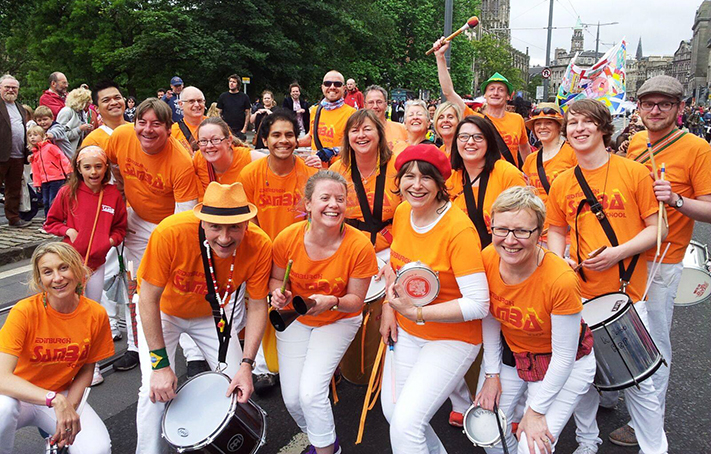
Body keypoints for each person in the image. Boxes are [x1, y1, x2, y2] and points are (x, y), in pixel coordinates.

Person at [545, 99, 668, 454]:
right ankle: (587, 440)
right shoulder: (563, 182)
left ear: (602, 128)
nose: (578, 129)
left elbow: (656, 228)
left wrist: (618, 252)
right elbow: (555, 229)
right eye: (572, 123)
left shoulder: (632, 172)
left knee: (639, 382)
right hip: (579, 295)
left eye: (587, 122)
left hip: (627, 296)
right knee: (580, 378)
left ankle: (654, 448)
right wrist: (558, 260)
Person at [134, 181, 270, 454]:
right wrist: (160, 365)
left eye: (234, 227)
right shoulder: (170, 232)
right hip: (163, 312)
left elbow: (257, 307)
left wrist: (247, 365)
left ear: (247, 224)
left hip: (212, 314)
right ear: (202, 222)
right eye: (215, 227)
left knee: (236, 384)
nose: (224, 237)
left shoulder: (260, 244)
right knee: (155, 391)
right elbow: (148, 299)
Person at [611, 76, 711, 447]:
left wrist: (677, 200)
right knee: (619, 332)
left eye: (664, 104)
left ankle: (647, 425)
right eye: (648, 104)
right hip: (625, 255)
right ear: (638, 107)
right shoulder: (636, 141)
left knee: (654, 343)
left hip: (662, 259)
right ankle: (612, 394)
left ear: (679, 108)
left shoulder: (697, 148)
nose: (655, 111)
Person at [377, 144, 489, 453]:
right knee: (394, 413)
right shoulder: (403, 213)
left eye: (426, 178)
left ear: (441, 183)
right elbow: (396, 268)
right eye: (408, 176)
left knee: (407, 424)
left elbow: (479, 303)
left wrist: (418, 313)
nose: (416, 185)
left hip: (451, 339)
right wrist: (390, 307)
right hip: (408, 332)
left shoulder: (458, 230)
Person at [474, 186, 595, 454]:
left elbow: (564, 356)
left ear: (540, 234)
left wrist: (536, 411)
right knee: (489, 431)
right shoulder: (487, 259)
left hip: (565, 364)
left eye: (522, 231)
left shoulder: (560, 279)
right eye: (501, 229)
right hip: (518, 358)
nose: (510, 240)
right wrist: (491, 374)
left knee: (532, 447)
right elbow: (492, 320)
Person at [270, 170, 378, 454]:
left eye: (340, 199)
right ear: (307, 204)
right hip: (297, 317)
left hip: (339, 318)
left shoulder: (359, 245)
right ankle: (320, 436)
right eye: (325, 198)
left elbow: (356, 301)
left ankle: (326, 449)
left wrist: (332, 301)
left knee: (311, 392)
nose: (334, 204)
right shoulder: (286, 239)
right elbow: (274, 280)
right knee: (293, 398)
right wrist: (277, 294)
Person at [105, 98, 200, 372]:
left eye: (156, 124)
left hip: (168, 226)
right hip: (136, 221)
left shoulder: (180, 162)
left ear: (169, 130)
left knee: (175, 286)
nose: (147, 130)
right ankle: (137, 346)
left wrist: (165, 250)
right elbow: (108, 163)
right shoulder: (122, 135)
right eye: (142, 123)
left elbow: (184, 217)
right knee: (135, 286)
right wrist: (119, 195)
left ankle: (192, 353)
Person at [0, 242, 114, 454]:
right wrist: (55, 400)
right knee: (3, 410)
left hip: (60, 394)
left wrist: (68, 407)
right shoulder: (24, 312)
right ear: (40, 279)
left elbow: (87, 369)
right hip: (17, 395)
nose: (57, 278)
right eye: (47, 272)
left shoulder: (95, 314)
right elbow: (2, 378)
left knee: (98, 449)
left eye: (64, 267)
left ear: (77, 270)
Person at [238, 110, 318, 393]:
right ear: (264, 139)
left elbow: (316, 222)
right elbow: (249, 220)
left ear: (297, 140)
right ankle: (261, 367)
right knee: (259, 306)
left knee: (300, 308)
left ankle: (311, 364)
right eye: (276, 135)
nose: (283, 141)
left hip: (301, 254)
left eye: (289, 135)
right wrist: (266, 253)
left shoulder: (310, 175)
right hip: (261, 252)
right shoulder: (250, 174)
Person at [44, 145, 127, 386]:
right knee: (66, 312)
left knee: (90, 312)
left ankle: (91, 365)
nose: (93, 172)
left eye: (98, 166)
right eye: (87, 167)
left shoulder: (112, 194)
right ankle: (65, 360)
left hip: (96, 265)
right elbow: (52, 221)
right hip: (69, 266)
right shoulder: (67, 193)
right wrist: (68, 230)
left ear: (105, 169)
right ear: (78, 169)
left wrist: (109, 241)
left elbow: (120, 227)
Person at [433, 39, 531, 167]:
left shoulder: (517, 119)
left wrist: (529, 172)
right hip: (484, 179)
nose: (495, 93)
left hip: (509, 181)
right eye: (491, 89)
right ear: (485, 95)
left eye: (501, 90)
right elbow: (448, 92)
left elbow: (524, 148)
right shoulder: (474, 118)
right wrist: (440, 57)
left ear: (508, 96)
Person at [447, 116, 526, 247]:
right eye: (464, 137)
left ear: (488, 142)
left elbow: (523, 222)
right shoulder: (450, 179)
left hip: (503, 254)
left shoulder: (507, 174)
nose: (470, 142)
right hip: (461, 252)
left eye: (478, 137)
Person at [330, 109, 400, 254]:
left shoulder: (398, 167)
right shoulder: (336, 171)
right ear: (348, 137)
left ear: (379, 134)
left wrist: (397, 255)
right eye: (355, 130)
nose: (361, 135)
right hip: (348, 248)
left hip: (390, 250)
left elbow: (411, 216)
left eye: (367, 129)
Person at [521, 103, 577, 247]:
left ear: (559, 126)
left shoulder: (573, 154)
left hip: (567, 236)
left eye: (548, 123)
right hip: (537, 234)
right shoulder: (531, 159)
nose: (542, 127)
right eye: (538, 123)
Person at [298, 70, 356, 164]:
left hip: (339, 171)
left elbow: (355, 146)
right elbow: (311, 137)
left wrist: (334, 151)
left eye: (337, 84)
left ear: (344, 88)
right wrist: (292, 142)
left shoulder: (352, 114)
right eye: (327, 83)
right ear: (322, 87)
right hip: (316, 168)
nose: (332, 87)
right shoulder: (315, 110)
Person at [193, 117, 253, 199]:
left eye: (215, 139)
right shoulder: (198, 159)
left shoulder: (248, 158)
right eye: (203, 141)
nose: (209, 146)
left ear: (229, 141)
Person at [0, 74, 31, 228]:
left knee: (14, 190)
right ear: (0, 88)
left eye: (14, 88)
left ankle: (13, 218)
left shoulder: (20, 108)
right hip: (1, 155)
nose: (10, 90)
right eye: (7, 87)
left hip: (18, 155)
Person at [27, 125, 71, 217]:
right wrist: (37, 184)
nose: (32, 137)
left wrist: (68, 171)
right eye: (30, 135)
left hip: (56, 178)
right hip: (44, 181)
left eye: (35, 135)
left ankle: (54, 219)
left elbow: (62, 158)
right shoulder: (35, 153)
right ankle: (48, 220)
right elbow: (36, 171)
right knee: (46, 202)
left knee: (53, 201)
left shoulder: (50, 147)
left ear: (43, 136)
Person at [82, 80, 127, 151]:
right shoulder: (92, 141)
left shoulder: (139, 131)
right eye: (106, 100)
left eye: (117, 98)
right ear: (96, 108)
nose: (114, 102)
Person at [364, 85, 407, 150]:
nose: (375, 106)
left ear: (386, 105)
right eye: (371, 102)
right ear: (364, 105)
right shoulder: (359, 133)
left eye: (379, 102)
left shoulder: (402, 129)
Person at [56, 88, 94, 159]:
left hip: (76, 151)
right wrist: (79, 129)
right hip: (65, 153)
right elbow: (60, 135)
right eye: (87, 101)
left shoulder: (81, 112)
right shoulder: (66, 112)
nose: (90, 103)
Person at [170, 86, 207, 155]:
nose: (196, 105)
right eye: (191, 101)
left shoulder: (217, 126)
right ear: (180, 104)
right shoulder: (172, 131)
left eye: (200, 101)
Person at [217, 74, 251, 140]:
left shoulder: (244, 97)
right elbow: (218, 113)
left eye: (234, 82)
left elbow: (248, 114)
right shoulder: (223, 96)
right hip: (226, 129)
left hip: (239, 130)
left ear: (238, 84)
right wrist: (222, 126)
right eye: (230, 81)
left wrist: (244, 129)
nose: (231, 83)